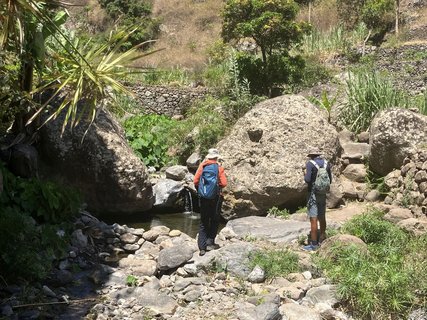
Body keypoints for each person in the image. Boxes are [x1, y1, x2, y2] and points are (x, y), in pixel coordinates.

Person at [194, 148, 227, 256]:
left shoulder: (202, 166)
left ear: (208, 157)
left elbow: (195, 181)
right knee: (214, 219)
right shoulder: (219, 168)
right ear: (216, 157)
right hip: (216, 198)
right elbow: (224, 183)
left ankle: (202, 248)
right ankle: (210, 242)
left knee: (203, 221)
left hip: (203, 197)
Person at [303, 150, 332, 251]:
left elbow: (307, 180)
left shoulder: (310, 164)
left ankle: (314, 245)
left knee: (313, 218)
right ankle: (322, 238)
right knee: (322, 216)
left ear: (311, 156)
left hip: (313, 194)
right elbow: (330, 180)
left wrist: (304, 173)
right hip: (322, 194)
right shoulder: (326, 163)